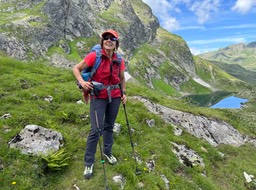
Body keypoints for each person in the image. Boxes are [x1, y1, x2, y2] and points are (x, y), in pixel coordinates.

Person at [73, 29, 127, 179]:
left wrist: (124, 93)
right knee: (96, 129)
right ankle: (89, 162)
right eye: (105, 38)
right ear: (102, 41)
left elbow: (122, 78)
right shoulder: (94, 56)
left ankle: (107, 153)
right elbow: (76, 68)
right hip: (98, 95)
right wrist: (82, 82)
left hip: (115, 96)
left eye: (112, 38)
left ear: (116, 43)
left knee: (109, 126)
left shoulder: (119, 60)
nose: (108, 40)